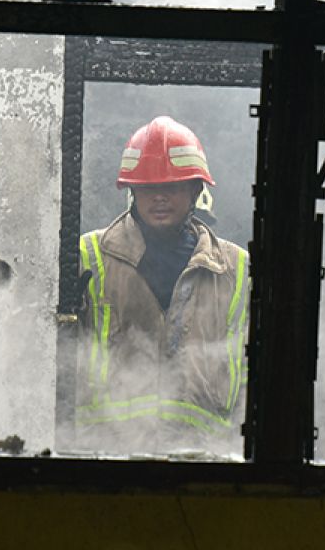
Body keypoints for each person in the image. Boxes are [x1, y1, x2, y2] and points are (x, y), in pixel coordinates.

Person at [75, 116, 250, 456]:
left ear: (196, 191)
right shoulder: (88, 257)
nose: (159, 198)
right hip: (104, 457)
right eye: (148, 187)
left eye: (172, 187)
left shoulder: (236, 268)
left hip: (205, 459)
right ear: (132, 191)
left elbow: (248, 370)